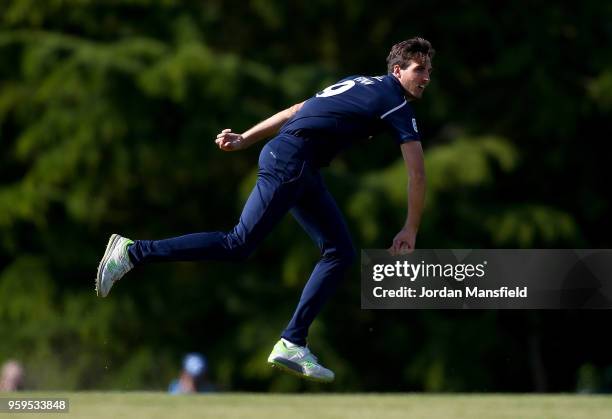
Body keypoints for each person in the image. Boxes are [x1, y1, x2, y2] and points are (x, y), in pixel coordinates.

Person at [96, 37, 433, 383]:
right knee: (237, 244)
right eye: (418, 69)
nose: (425, 77)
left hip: (297, 164)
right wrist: (410, 228)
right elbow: (417, 174)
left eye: (429, 71)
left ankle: (292, 342)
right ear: (397, 70)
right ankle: (133, 252)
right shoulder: (395, 102)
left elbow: (296, 109)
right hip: (293, 162)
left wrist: (246, 138)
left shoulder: (361, 83)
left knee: (339, 252)